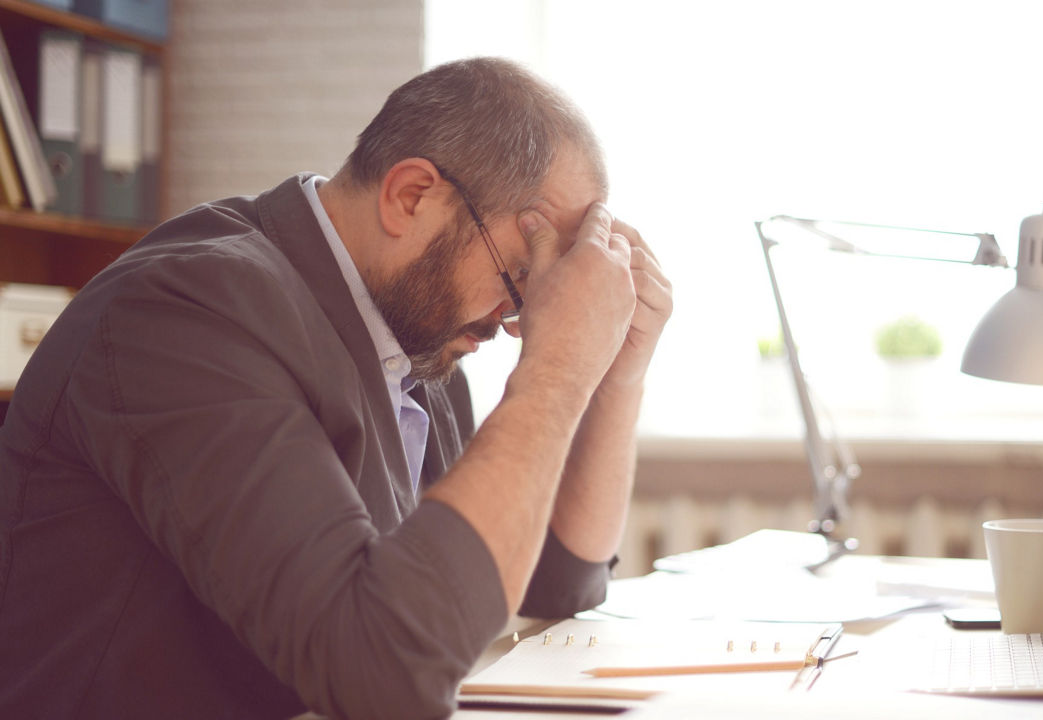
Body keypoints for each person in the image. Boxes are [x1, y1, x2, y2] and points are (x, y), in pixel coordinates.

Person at [0, 57, 672, 720]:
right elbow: (382, 674)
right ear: (411, 196)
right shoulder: (187, 312)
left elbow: (554, 584)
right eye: (522, 274)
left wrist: (619, 369)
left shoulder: (416, 337)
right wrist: (557, 368)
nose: (519, 319)